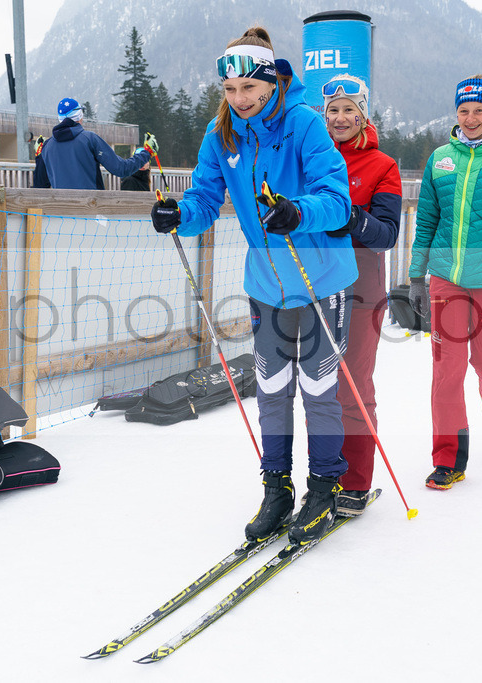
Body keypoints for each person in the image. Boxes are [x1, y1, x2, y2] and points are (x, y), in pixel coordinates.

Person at [150, 27, 357, 544]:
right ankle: (277, 486)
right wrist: (178, 214)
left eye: (249, 89)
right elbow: (203, 198)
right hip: (266, 282)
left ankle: (325, 486)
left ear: (270, 83)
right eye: (229, 90)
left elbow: (337, 200)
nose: (239, 100)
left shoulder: (306, 125)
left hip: (320, 277)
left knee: (317, 388)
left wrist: (298, 212)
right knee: (270, 388)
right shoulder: (221, 135)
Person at [407, 74, 482, 490]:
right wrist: (415, 277)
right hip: (446, 280)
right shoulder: (440, 158)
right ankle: (449, 460)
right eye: (464, 110)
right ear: (455, 112)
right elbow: (426, 221)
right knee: (446, 372)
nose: (471, 117)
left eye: (479, 110)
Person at [321, 73, 401, 515]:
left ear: (364, 114)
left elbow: (386, 235)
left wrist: (349, 217)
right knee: (317, 386)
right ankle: (322, 472)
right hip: (313, 286)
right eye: (332, 110)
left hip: (361, 290)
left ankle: (354, 479)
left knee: (351, 384)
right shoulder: (311, 159)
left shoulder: (382, 165)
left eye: (349, 109)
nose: (340, 117)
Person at [40, 97, 151, 190]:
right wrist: (147, 153)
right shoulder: (89, 139)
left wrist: (38, 157)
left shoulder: (47, 146)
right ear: (79, 115)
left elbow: (40, 184)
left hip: (60, 212)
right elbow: (121, 169)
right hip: (91, 209)